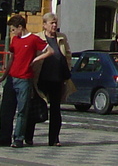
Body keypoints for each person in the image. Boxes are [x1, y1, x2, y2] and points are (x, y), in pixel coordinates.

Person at [26, 12, 72, 147]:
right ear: (44, 25)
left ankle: (54, 139)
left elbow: (67, 55)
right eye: (51, 23)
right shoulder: (37, 38)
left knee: (56, 110)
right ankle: (28, 137)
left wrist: (67, 71)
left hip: (57, 79)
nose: (54, 25)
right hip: (41, 78)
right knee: (36, 108)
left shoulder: (61, 38)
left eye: (55, 23)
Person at [7, 14, 51, 148]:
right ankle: (5, 135)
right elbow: (12, 57)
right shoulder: (15, 40)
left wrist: (37, 59)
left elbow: (50, 51)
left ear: (20, 27)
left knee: (22, 110)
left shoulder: (33, 39)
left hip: (25, 79)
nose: (12, 32)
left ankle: (18, 138)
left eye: (14, 29)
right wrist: (4, 76)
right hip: (12, 77)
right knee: (8, 109)